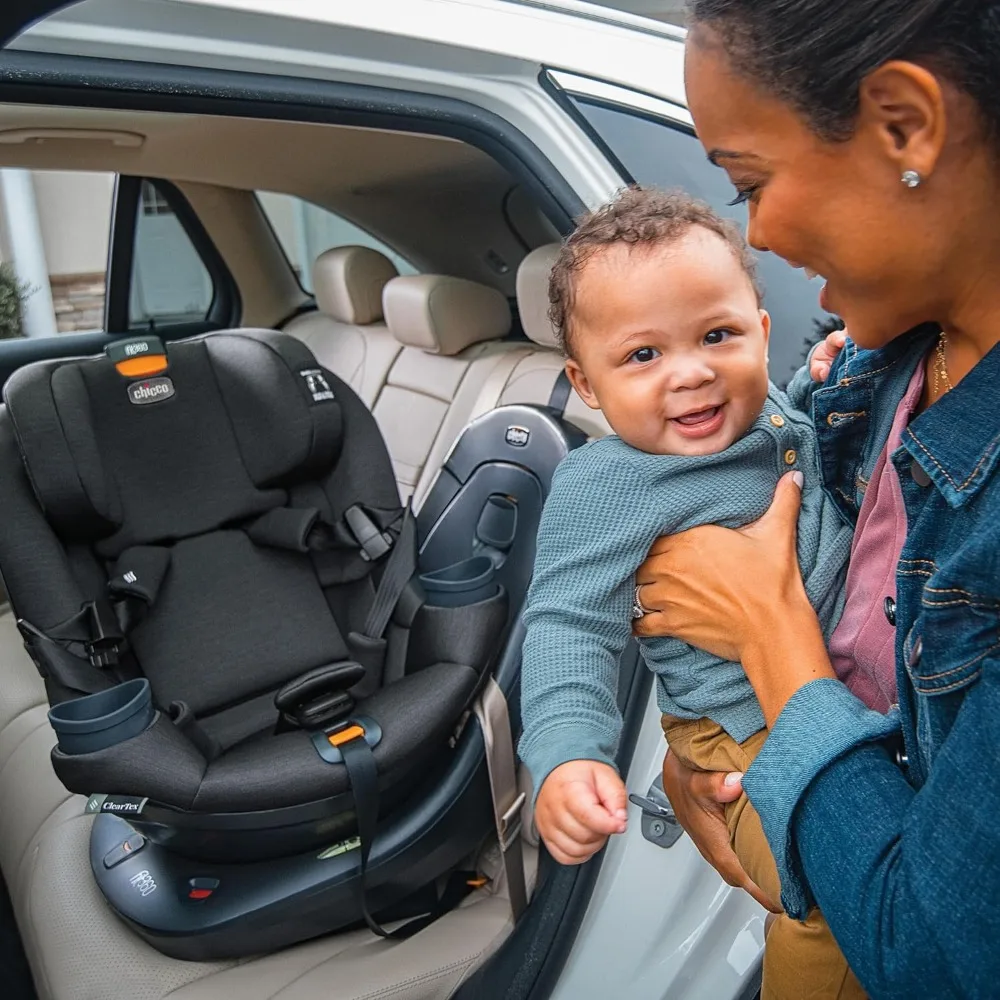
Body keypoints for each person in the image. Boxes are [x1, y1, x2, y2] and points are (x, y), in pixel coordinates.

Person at [632, 2, 1000, 998]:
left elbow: (932, 957)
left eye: (749, 181)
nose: (755, 233)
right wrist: (720, 761)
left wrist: (767, 637)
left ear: (902, 123)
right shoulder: (867, 370)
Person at [517, 185, 861, 998]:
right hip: (738, 737)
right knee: (835, 891)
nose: (693, 373)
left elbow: (802, 451)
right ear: (587, 384)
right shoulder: (606, 483)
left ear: (762, 332)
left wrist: (825, 387)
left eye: (718, 335)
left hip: (825, 698)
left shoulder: (767, 412)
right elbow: (567, 624)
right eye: (643, 355)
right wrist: (566, 755)